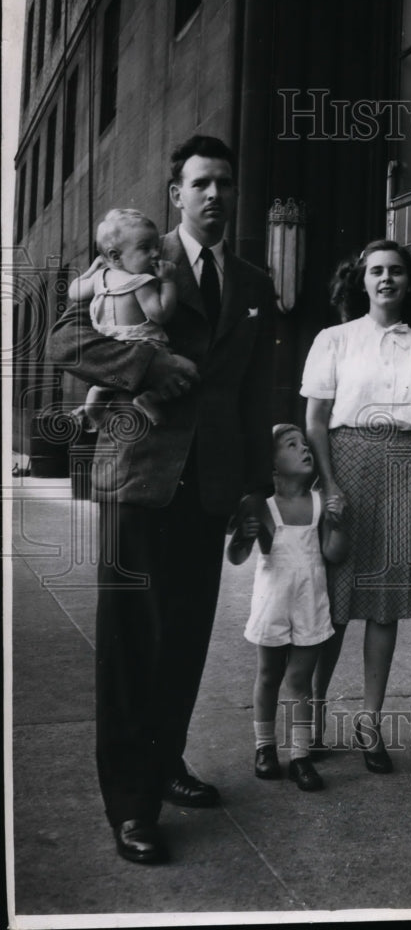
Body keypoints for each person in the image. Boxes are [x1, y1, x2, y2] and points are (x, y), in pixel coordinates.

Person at [48, 135, 274, 864]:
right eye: (201, 182)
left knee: (182, 640)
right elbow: (62, 339)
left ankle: (164, 760)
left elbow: (251, 392)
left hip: (208, 487)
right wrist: (147, 362)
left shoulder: (251, 281)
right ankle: (131, 805)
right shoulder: (134, 255)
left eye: (226, 183)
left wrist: (253, 489)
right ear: (175, 192)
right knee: (129, 646)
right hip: (139, 476)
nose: (215, 195)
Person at [301, 239, 411, 774]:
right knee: (336, 603)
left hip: (405, 469)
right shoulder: (334, 340)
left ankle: (370, 723)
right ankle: (312, 717)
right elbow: (316, 422)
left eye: (396, 272)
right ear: (361, 280)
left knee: (384, 605)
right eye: (376, 272)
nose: (386, 279)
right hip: (348, 462)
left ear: (409, 282)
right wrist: (330, 484)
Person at [227, 424, 348, 792]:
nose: (304, 448)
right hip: (273, 603)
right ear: (273, 465)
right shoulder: (258, 506)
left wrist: (340, 525)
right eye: (291, 445)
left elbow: (333, 554)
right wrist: (243, 537)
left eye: (304, 443)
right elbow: (236, 556)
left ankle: (299, 755)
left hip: (311, 602)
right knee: (268, 676)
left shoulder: (319, 502)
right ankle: (264, 747)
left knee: (299, 682)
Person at [67, 208, 179, 426]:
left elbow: (73, 292)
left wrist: (91, 270)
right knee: (187, 373)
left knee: (99, 391)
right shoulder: (141, 282)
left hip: (111, 359)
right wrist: (168, 282)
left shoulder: (99, 279)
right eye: (145, 248)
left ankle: (94, 411)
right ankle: (149, 398)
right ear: (115, 257)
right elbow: (161, 314)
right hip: (143, 352)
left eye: (157, 247)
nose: (156, 254)